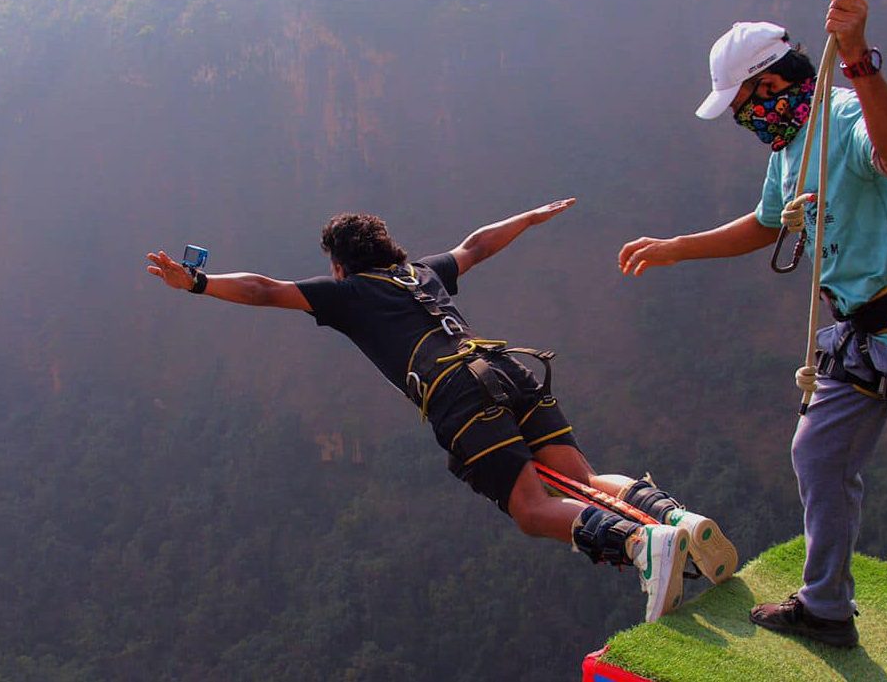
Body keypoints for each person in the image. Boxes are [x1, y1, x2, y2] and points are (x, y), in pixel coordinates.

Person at [147, 198, 738, 623]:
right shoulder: (419, 272)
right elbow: (476, 244)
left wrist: (195, 282)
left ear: (339, 265)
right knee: (582, 478)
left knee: (533, 510)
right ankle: (680, 522)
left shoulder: (349, 293)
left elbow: (262, 288)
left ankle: (641, 544)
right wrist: (527, 219)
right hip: (510, 367)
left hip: (458, 393)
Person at [618, 0, 887, 647]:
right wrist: (675, 249)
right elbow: (763, 224)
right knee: (816, 454)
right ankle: (825, 607)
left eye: (743, 103)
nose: (741, 119)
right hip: (857, 336)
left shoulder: (842, 121)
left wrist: (859, 57)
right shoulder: (789, 148)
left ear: (774, 82)